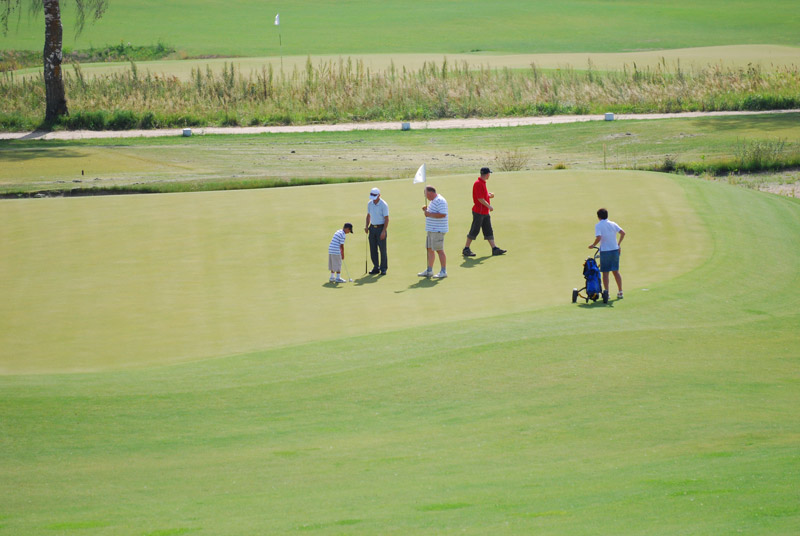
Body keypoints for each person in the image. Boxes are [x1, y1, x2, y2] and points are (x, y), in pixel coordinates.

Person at [463, 167, 506, 257]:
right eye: (489, 174)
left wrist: (488, 195)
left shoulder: (482, 183)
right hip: (479, 212)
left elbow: (482, 195)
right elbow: (480, 199)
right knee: (474, 230)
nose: (489, 175)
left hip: (484, 212)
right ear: (486, 174)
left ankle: (494, 249)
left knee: (488, 230)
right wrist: (489, 206)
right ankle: (466, 249)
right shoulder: (478, 183)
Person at [589, 208, 625, 299]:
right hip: (615, 250)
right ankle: (620, 291)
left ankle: (607, 293)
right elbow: (623, 233)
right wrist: (618, 244)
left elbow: (599, 237)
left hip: (605, 251)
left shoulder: (598, 225)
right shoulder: (613, 224)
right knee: (616, 272)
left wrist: (593, 245)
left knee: (605, 273)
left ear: (599, 217)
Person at [418, 186, 448, 279]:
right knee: (429, 249)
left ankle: (443, 271)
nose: (426, 197)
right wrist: (426, 210)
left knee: (439, 250)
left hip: (437, 230)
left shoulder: (440, 200)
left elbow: (443, 214)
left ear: (431, 193)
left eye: (426, 195)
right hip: (431, 230)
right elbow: (432, 213)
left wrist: (429, 214)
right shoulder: (433, 201)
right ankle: (429, 270)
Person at [364, 187, 389, 275]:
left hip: (381, 228)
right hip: (372, 228)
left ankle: (383, 268)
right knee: (373, 249)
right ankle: (376, 267)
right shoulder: (370, 203)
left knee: (382, 249)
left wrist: (383, 231)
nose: (373, 199)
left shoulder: (383, 204)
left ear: (379, 195)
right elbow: (368, 216)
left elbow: (386, 219)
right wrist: (366, 226)